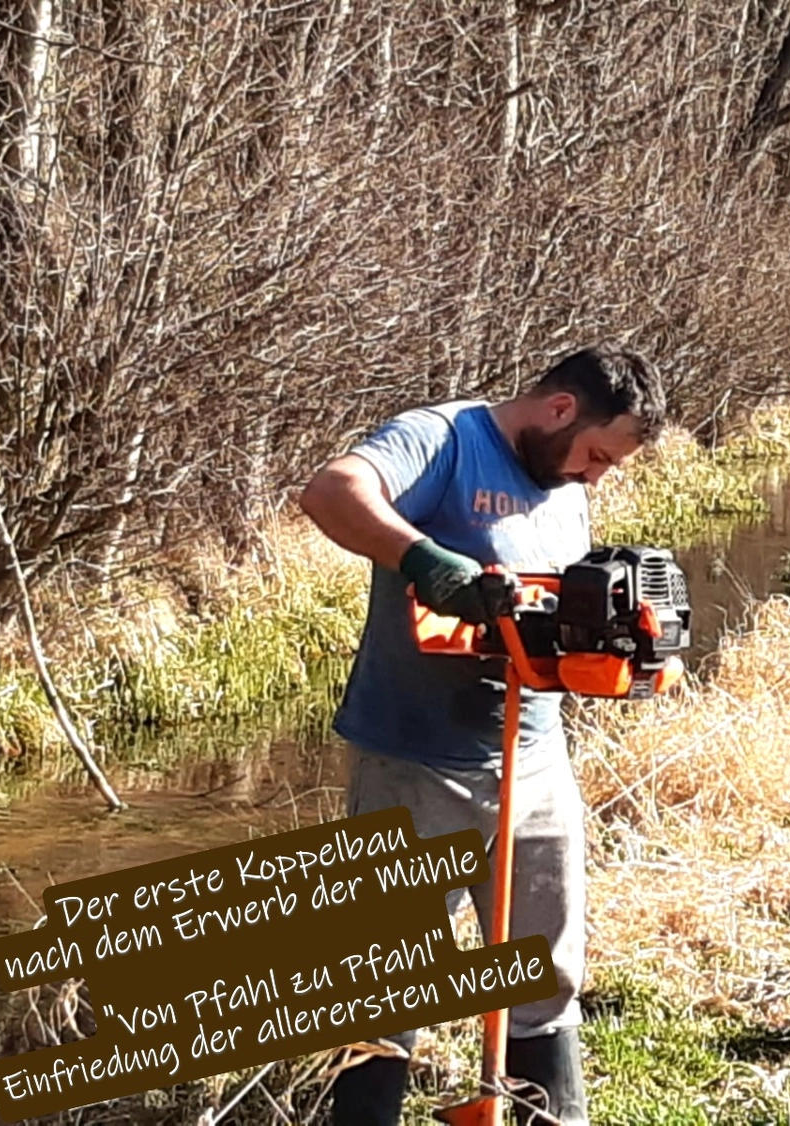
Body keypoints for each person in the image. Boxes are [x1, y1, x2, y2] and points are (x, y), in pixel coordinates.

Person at [297, 344, 666, 1125]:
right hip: (413, 763)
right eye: (597, 454)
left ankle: (544, 1117)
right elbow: (332, 490)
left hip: (534, 761)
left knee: (544, 974)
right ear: (559, 409)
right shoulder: (444, 439)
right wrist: (424, 560)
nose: (595, 475)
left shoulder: (566, 485)